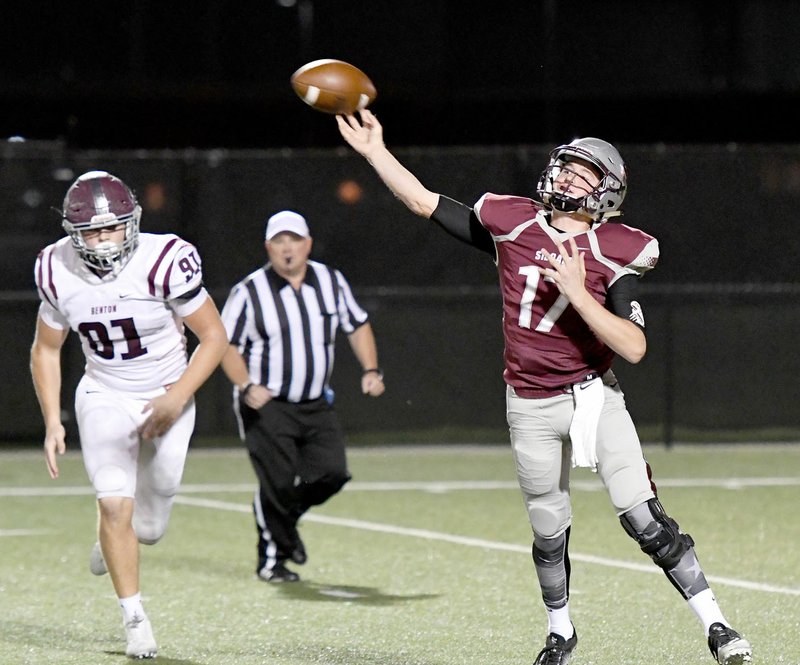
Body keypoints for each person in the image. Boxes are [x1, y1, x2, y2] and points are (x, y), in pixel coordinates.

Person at [337, 110, 752, 665]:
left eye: (583, 175)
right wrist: (374, 152)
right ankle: (561, 631)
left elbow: (633, 346)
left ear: (606, 192)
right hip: (529, 403)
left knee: (642, 516)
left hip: (592, 397)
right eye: (567, 169)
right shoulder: (514, 223)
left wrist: (581, 294)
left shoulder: (614, 248)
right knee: (548, 527)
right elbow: (424, 202)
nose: (567, 180)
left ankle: (718, 626)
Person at [30, 171, 228, 659]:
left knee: (150, 526)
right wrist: (53, 419)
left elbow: (215, 337)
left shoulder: (163, 260)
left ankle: (113, 539)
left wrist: (177, 397)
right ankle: (134, 619)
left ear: (132, 222)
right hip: (105, 392)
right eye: (92, 231)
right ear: (73, 232)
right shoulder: (56, 268)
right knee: (115, 503)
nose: (102, 241)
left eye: (112, 228)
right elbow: (46, 349)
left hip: (167, 392)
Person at [219, 209, 385, 583]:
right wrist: (246, 385)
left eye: (294, 240)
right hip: (267, 403)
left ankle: (282, 523)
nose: (288, 248)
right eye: (279, 242)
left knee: (333, 473)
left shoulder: (329, 280)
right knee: (277, 482)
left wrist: (371, 370)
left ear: (308, 244)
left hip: (314, 401)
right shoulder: (249, 291)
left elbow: (357, 325)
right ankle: (272, 560)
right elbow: (225, 344)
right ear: (268, 248)